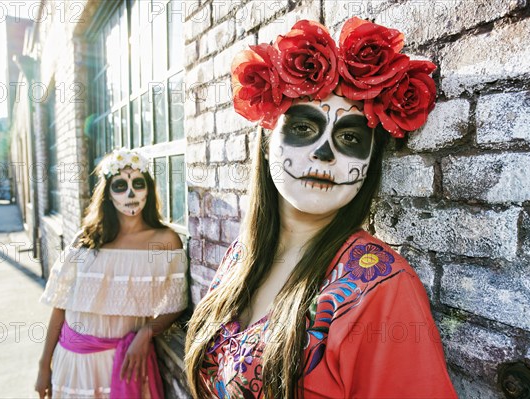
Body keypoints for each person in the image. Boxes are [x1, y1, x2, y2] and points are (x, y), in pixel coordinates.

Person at [185, 18, 458, 398]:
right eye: (302, 129)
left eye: (349, 136)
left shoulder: (382, 291)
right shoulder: (240, 256)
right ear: (267, 144)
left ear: (371, 161)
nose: (324, 153)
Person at [35, 148, 188, 399]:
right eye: (120, 186)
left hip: (128, 364)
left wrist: (146, 333)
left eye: (138, 184)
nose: (130, 193)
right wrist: (43, 366)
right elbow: (60, 305)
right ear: (107, 193)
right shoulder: (86, 239)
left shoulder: (165, 240)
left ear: (149, 190)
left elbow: (176, 303)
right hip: (74, 364)